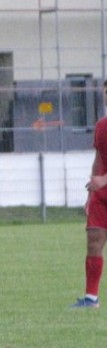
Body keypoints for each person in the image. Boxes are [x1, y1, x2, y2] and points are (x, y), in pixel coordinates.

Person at [71, 83, 107, 308]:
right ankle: (91, 298)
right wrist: (92, 191)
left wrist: (104, 180)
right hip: (101, 195)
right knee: (94, 241)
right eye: (106, 92)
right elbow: (99, 158)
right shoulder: (101, 126)